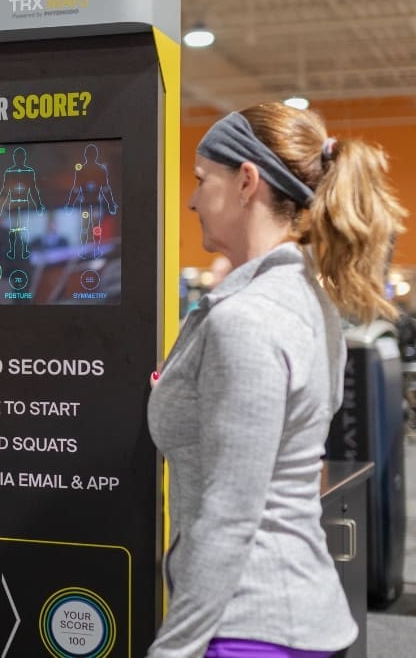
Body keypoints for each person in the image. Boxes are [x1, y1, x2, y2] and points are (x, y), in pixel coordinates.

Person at [147, 102, 406, 658]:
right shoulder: (307, 301)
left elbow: (230, 515)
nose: (191, 199)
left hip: (251, 627)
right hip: (291, 617)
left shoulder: (249, 317)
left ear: (246, 181)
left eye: (201, 180)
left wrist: (175, 648)